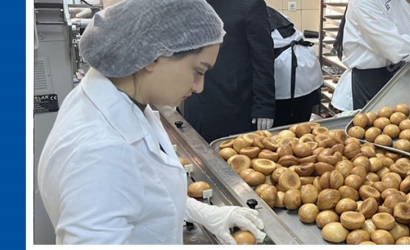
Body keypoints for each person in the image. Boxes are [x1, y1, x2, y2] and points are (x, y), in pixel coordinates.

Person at [38, 0, 264, 244]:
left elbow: (139, 195)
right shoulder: (101, 151)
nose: (199, 87)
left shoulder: (119, 96)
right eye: (198, 71)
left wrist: (203, 212)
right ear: (153, 56)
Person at [184, 0, 276, 142]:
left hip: (232, 104)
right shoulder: (191, 4)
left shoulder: (250, 5)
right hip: (195, 100)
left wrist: (264, 106)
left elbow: (263, 59)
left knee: (232, 157)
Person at [268, 7, 323, 127]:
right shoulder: (269, 12)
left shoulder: (254, 14)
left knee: (288, 130)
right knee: (299, 126)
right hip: (303, 70)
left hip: (289, 76)